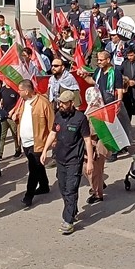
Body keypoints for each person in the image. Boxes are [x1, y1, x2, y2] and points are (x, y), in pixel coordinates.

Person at [41, 91, 90, 235]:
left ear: (71, 103)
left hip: (74, 160)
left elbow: (87, 139)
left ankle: (68, 220)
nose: (61, 105)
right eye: (60, 102)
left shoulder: (80, 118)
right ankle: (72, 209)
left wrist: (90, 161)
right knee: (63, 188)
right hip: (60, 159)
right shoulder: (58, 115)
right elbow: (52, 133)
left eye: (64, 103)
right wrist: (45, 151)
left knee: (70, 189)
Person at [13, 79, 53, 208]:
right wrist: (16, 116)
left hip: (38, 142)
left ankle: (28, 195)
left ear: (26, 91)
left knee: (33, 169)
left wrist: (53, 141)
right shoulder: (23, 102)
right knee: (37, 165)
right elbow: (21, 115)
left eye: (19, 90)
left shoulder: (42, 103)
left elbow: (52, 122)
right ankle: (44, 185)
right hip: (25, 141)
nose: (18, 92)